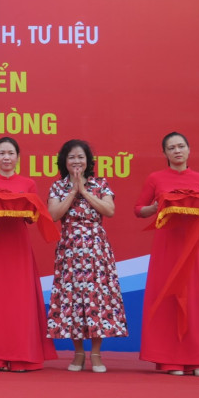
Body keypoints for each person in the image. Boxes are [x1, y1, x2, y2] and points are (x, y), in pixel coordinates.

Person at [0, 136, 57, 371]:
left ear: (18, 157)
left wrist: (23, 207)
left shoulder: (28, 184)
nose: (6, 158)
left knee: (19, 301)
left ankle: (20, 355)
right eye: (2, 153)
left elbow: (32, 217)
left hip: (18, 246)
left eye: (11, 153)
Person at [135, 132, 199, 376]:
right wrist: (156, 207)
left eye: (181, 146)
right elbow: (138, 209)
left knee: (195, 301)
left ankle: (198, 360)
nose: (177, 151)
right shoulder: (155, 178)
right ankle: (170, 360)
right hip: (166, 248)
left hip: (193, 248)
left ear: (189, 149)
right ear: (164, 153)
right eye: (171, 148)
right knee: (168, 300)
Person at [46, 139, 127, 373]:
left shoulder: (100, 183)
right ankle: (78, 353)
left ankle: (96, 354)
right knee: (73, 299)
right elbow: (53, 215)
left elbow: (109, 210)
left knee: (96, 298)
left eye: (80, 157)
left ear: (88, 160)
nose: (76, 161)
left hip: (96, 248)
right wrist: (73, 191)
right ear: (64, 161)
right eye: (71, 157)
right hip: (70, 248)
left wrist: (84, 191)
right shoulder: (58, 186)